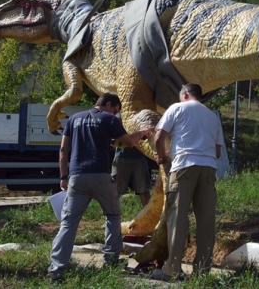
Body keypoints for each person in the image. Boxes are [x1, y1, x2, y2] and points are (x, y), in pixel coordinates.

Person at [48, 93, 150, 282]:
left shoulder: (74, 119)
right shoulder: (109, 119)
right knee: (112, 216)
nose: (115, 113)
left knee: (69, 223)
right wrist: (142, 133)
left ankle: (56, 269)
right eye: (115, 110)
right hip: (101, 176)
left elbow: (63, 150)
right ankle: (111, 259)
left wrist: (63, 177)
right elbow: (129, 142)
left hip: (76, 177)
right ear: (109, 104)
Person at [150, 83, 225, 282]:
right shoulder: (211, 116)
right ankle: (202, 271)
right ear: (199, 96)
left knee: (178, 218)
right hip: (208, 169)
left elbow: (159, 136)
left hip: (183, 166)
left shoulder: (176, 108)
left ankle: (172, 269)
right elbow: (217, 152)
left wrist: (162, 156)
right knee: (206, 221)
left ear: (184, 95)